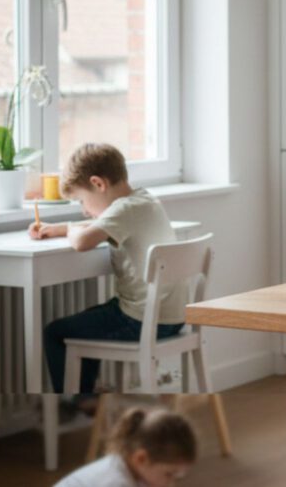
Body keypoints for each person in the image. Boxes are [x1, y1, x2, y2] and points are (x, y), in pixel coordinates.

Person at [30, 143, 184, 394]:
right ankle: (87, 398)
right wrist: (57, 228)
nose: (84, 209)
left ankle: (78, 402)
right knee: (90, 323)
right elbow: (99, 224)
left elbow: (82, 242)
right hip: (171, 318)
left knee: (57, 333)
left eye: (82, 200)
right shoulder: (143, 199)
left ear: (98, 184)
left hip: (141, 321)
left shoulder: (122, 210)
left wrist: (69, 230)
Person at [55, 406, 197, 487]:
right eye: (169, 475)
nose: (171, 484)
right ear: (141, 459)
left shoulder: (130, 467)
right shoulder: (115, 482)